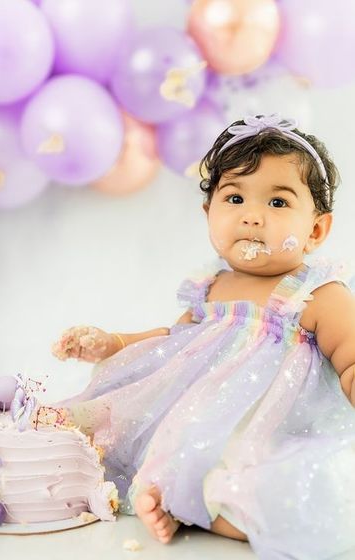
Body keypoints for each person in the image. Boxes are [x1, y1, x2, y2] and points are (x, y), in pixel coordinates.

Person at [52, 114, 355, 560]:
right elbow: (171, 340)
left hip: (268, 428)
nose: (252, 216)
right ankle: (173, 496)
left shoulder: (315, 294)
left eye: (277, 203)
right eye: (235, 198)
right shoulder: (210, 287)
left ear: (315, 231)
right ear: (209, 213)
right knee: (126, 434)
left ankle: (212, 510)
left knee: (261, 478)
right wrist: (114, 342)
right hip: (188, 422)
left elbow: (349, 358)